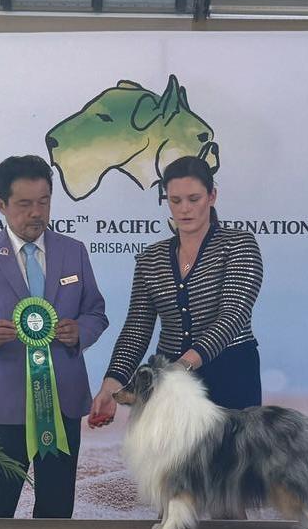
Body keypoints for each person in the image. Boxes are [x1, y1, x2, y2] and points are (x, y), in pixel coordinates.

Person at [0, 154, 108, 518]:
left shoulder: (74, 251)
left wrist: (79, 332)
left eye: (44, 202)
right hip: (6, 407)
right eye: (24, 204)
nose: (36, 213)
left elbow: (96, 313)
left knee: (57, 511)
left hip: (64, 402)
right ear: (1, 204)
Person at [90, 156, 263, 424]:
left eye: (194, 199)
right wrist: (111, 385)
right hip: (170, 384)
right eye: (175, 200)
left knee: (233, 452)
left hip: (231, 375)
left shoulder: (239, 245)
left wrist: (179, 369)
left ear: (212, 196)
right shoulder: (150, 258)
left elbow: (233, 315)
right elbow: (137, 327)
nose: (185, 209)